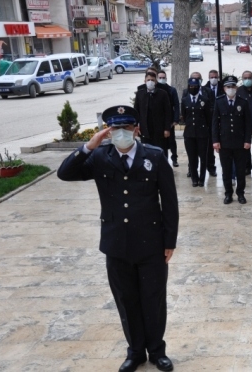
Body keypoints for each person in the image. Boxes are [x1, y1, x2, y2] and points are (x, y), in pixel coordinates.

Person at [57, 105, 178, 372]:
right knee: (126, 299)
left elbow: (169, 202)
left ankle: (157, 351)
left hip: (151, 243)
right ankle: (135, 352)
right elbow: (65, 173)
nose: (121, 133)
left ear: (136, 129)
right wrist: (89, 146)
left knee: (153, 299)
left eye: (126, 128)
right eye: (115, 129)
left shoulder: (155, 156)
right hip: (116, 244)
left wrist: (170, 241)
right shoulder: (100, 156)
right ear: (108, 131)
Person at [212, 76, 252, 204]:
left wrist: (248, 140)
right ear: (224, 89)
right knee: (226, 170)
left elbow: (248, 123)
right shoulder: (219, 102)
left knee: (240, 171)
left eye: (233, 87)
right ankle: (228, 193)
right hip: (224, 143)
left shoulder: (243, 102)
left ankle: (240, 193)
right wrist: (215, 141)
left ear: (236, 88)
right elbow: (215, 123)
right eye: (228, 87)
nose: (231, 89)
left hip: (240, 143)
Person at [181, 78, 213, 187]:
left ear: (199, 87)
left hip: (202, 133)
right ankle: (194, 178)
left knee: (203, 157)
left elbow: (208, 117)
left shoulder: (205, 100)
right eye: (191, 86)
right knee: (192, 157)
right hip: (189, 133)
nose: (193, 88)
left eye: (195, 86)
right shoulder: (185, 100)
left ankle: (202, 179)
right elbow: (185, 116)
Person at [134, 71, 172, 159]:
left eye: (152, 80)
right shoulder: (140, 94)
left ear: (155, 82)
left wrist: (167, 128)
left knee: (161, 151)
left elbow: (168, 112)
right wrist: (136, 126)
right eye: (148, 80)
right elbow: (136, 111)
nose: (150, 82)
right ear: (145, 81)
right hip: (145, 130)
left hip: (159, 130)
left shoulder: (163, 94)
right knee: (146, 152)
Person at [191, 71, 218, 177]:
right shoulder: (186, 92)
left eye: (198, 78)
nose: (196, 81)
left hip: (206, 125)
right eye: (194, 78)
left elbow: (212, 106)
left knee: (208, 149)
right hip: (193, 126)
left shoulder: (208, 91)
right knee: (192, 150)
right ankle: (192, 169)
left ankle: (211, 167)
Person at [156, 70, 180, 167]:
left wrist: (175, 119)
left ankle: (174, 158)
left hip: (169, 120)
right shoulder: (155, 90)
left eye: (163, 77)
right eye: (160, 77)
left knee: (171, 140)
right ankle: (163, 159)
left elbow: (176, 105)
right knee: (162, 142)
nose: (162, 79)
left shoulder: (171, 90)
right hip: (159, 120)